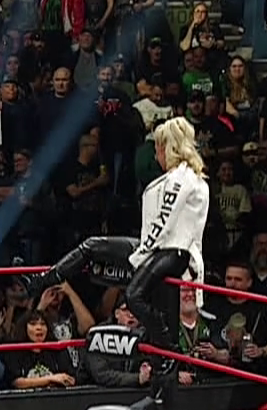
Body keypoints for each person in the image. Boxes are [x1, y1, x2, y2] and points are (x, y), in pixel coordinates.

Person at [23, 116, 208, 350]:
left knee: (134, 296)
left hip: (168, 251)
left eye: (158, 149)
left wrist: (141, 254)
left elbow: (164, 222)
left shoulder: (182, 179)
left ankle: (167, 345)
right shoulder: (183, 177)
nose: (156, 156)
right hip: (155, 248)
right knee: (92, 245)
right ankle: (44, 280)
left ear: (168, 148)